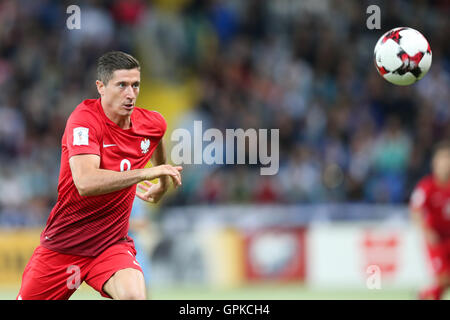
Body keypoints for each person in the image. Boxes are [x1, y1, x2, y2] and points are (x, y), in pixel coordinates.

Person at [17, 51, 182, 300]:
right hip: (64, 246)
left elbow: (156, 137)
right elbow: (86, 182)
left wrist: (161, 183)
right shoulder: (83, 122)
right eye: (122, 85)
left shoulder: (151, 123)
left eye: (135, 85)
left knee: (134, 297)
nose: (130, 94)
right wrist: (147, 172)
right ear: (101, 87)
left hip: (110, 246)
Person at [410, 140, 450, 300]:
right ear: (435, 162)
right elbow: (415, 210)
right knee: (444, 278)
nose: (447, 163)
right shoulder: (426, 186)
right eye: (443, 158)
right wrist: (426, 231)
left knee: (444, 283)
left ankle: (424, 295)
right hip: (436, 241)